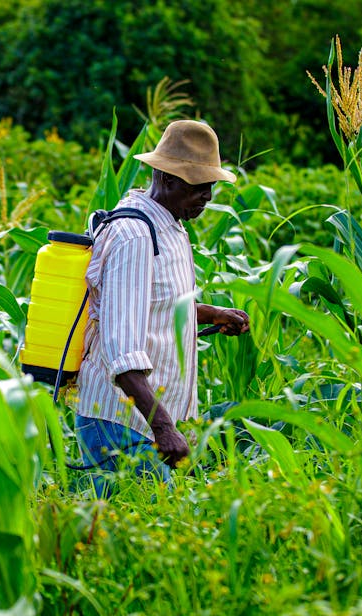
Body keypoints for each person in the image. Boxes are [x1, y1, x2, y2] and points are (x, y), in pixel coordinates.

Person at [74, 120, 251, 497]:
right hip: (121, 420)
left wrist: (211, 313)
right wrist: (165, 428)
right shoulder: (136, 236)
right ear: (166, 178)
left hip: (141, 419)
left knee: (130, 533)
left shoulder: (170, 223)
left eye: (210, 186)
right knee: (147, 531)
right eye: (197, 186)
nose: (207, 196)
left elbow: (153, 303)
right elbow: (122, 353)